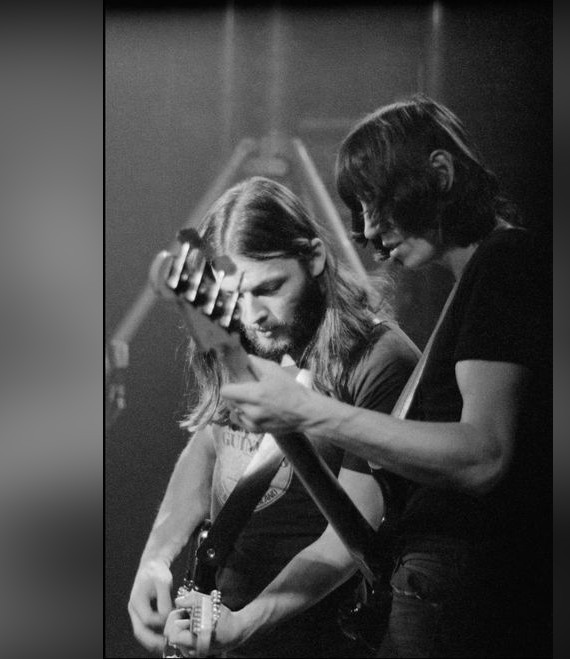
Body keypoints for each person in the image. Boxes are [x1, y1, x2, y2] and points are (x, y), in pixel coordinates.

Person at [203, 96, 551, 657]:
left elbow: (485, 454)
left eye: (377, 203)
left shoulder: (505, 263)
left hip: (459, 605)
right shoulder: (473, 284)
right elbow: (359, 525)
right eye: (358, 209)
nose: (368, 230)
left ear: (439, 173)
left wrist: (312, 412)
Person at [128, 176, 420, 657]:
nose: (252, 314)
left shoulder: (380, 359)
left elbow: (350, 537)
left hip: (315, 638)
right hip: (225, 622)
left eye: (269, 288)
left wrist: (245, 623)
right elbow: (210, 444)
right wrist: (156, 557)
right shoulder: (240, 329)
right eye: (236, 296)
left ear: (314, 258)